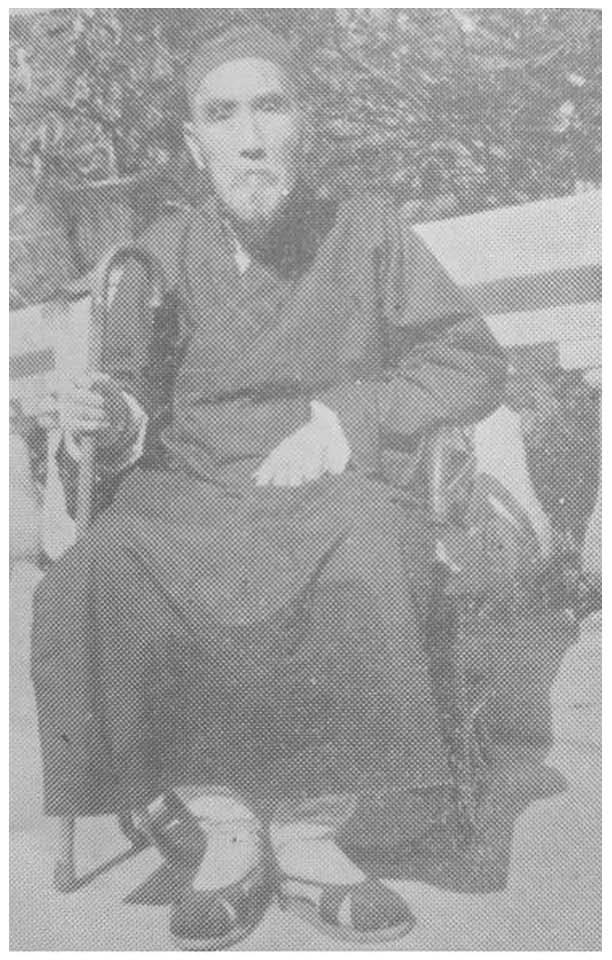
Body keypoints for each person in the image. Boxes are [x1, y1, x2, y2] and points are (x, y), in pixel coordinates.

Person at [32, 24, 507, 949]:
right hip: (194, 488)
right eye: (223, 115)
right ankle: (225, 827)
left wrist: (347, 421)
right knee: (110, 560)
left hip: (329, 481)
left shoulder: (367, 231)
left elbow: (468, 363)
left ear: (305, 123)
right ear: (193, 142)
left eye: (270, 107)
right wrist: (107, 416)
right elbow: (130, 393)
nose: (249, 139)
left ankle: (309, 835)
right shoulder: (158, 252)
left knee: (368, 545)